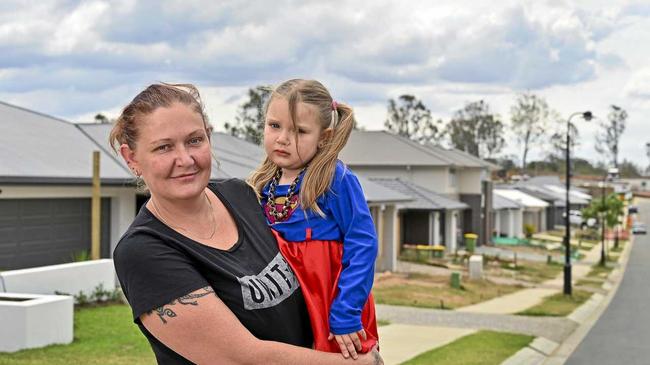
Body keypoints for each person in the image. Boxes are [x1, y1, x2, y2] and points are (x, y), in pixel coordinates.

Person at [110, 83, 382, 365]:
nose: (185, 159)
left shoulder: (243, 196)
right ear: (132, 158)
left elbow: (346, 248)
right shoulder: (144, 252)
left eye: (194, 140)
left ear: (209, 137)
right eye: (164, 147)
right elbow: (240, 358)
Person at [248, 79, 379, 360]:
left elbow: (363, 245)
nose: (282, 138)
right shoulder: (260, 185)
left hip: (329, 304)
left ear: (325, 137)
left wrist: (346, 312)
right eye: (274, 126)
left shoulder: (335, 180)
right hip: (282, 305)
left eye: (299, 131)